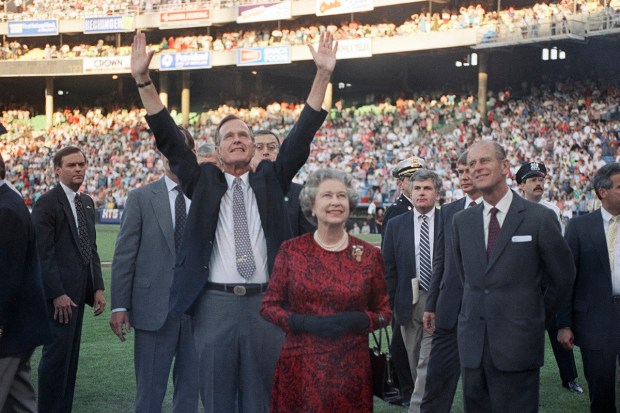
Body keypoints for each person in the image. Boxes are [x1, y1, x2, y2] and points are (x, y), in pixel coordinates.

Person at [130, 31, 336, 412]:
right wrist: (144, 80)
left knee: (263, 399)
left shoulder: (272, 179)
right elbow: (168, 138)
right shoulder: (203, 181)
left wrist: (322, 74)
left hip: (266, 306)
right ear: (218, 149)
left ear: (255, 145)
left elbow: (302, 133)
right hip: (214, 306)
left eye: (245, 134)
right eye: (229, 136)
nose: (238, 139)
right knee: (217, 399)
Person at [452, 141, 575, 412]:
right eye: (472, 164)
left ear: (505, 166)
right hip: (473, 346)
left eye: (484, 161)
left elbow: (563, 276)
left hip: (519, 343)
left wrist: (537, 313)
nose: (477, 168)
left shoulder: (539, 218)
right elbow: (469, 280)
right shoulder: (461, 222)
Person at [259, 168, 392, 412]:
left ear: (350, 204)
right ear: (311, 205)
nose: (335, 202)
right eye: (327, 196)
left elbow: (385, 311)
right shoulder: (292, 250)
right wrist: (299, 322)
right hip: (300, 363)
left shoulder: (370, 255)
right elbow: (269, 306)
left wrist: (361, 319)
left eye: (341, 196)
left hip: (351, 368)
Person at [109, 130, 200, 413]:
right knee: (149, 395)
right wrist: (120, 305)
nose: (173, 155)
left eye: (180, 149)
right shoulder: (141, 197)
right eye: (167, 149)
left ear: (192, 153)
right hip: (153, 310)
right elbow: (125, 256)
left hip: (198, 311)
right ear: (160, 155)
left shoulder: (207, 195)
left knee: (189, 395)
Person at [32, 146, 106, 413]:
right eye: (72, 165)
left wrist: (97, 287)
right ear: (57, 170)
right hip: (58, 298)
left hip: (78, 293)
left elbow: (91, 249)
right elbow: (43, 255)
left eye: (82, 164)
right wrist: (56, 294)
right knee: (55, 359)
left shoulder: (86, 202)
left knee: (70, 359)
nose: (78, 169)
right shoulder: (46, 203)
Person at [420, 151, 482, 412]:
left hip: (485, 315)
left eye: (469, 170)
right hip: (448, 312)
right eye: (460, 172)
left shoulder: (504, 211)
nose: (465, 176)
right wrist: (431, 304)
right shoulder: (448, 210)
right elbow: (440, 262)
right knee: (436, 387)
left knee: (479, 388)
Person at [516, 161, 582, 394]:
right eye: (533, 180)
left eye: (541, 179)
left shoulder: (551, 209)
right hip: (522, 280)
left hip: (547, 279)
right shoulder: (510, 209)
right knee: (521, 334)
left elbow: (560, 248)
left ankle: (570, 378)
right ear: (522, 185)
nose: (539, 184)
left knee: (559, 329)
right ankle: (520, 378)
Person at [558, 162, 620, 412]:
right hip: (595, 322)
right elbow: (566, 279)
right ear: (602, 192)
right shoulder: (579, 227)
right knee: (601, 392)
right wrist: (564, 324)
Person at [382, 169, 441, 413]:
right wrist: (394, 303)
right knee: (415, 360)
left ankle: (417, 408)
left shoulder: (450, 220)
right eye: (417, 188)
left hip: (437, 300)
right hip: (408, 301)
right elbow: (389, 267)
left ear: (437, 193)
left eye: (427, 188)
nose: (421, 193)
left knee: (427, 360)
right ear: (409, 191)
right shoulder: (397, 224)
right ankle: (429, 403)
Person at [0, 155, 51, 412]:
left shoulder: (5, 208)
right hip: (17, 329)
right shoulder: (8, 201)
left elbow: (5, 277)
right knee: (20, 403)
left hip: (8, 330)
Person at [380, 156, 425, 406]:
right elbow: (389, 258)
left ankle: (415, 390)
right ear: (401, 184)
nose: (417, 182)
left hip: (424, 286)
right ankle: (407, 391)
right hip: (404, 289)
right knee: (402, 343)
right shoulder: (396, 211)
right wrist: (390, 294)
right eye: (411, 179)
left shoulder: (426, 208)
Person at [252, 129, 315, 236]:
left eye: (272, 147)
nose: (266, 151)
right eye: (259, 147)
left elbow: (308, 238)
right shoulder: (240, 189)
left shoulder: (300, 193)